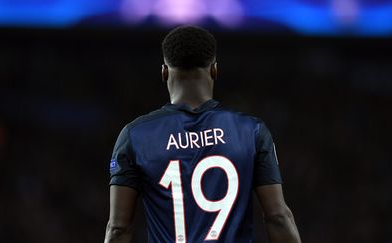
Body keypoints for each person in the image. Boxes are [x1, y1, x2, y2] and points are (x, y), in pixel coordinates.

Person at [104, 26, 301, 243]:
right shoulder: (251, 130)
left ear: (164, 72)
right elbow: (278, 217)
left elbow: (118, 229)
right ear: (215, 70)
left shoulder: (135, 136)